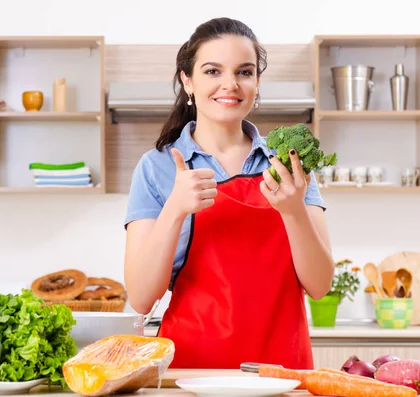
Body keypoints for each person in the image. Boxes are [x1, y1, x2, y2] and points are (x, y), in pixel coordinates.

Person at [123, 17, 335, 370]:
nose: (230, 84)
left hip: (282, 372)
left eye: (244, 71)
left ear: (256, 82)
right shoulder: (156, 167)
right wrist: (175, 208)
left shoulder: (288, 164)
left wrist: (294, 210)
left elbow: (320, 285)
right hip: (191, 373)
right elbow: (142, 299)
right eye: (212, 71)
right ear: (186, 80)